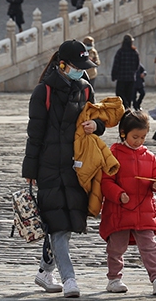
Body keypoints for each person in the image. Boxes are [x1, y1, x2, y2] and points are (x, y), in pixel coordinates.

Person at [22, 39, 103, 298]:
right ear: (62, 64)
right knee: (58, 226)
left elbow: (98, 119)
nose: (81, 71)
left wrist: (96, 126)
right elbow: (34, 135)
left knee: (65, 224)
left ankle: (45, 272)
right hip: (48, 166)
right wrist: (30, 171)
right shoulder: (43, 91)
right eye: (77, 66)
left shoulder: (86, 89)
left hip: (77, 166)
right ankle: (70, 280)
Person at [100, 109, 156, 295]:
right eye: (135, 137)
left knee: (150, 246)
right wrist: (118, 194)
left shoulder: (149, 156)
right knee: (116, 247)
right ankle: (114, 278)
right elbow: (106, 182)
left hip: (144, 211)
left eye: (142, 137)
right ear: (123, 133)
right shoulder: (113, 154)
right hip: (120, 211)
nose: (139, 141)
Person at [111, 35, 139, 112]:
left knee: (120, 95)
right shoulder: (134, 52)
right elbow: (137, 65)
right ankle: (128, 109)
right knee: (129, 96)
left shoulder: (120, 52)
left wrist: (114, 76)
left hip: (121, 78)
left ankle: (123, 108)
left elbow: (116, 65)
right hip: (131, 78)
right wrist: (133, 72)